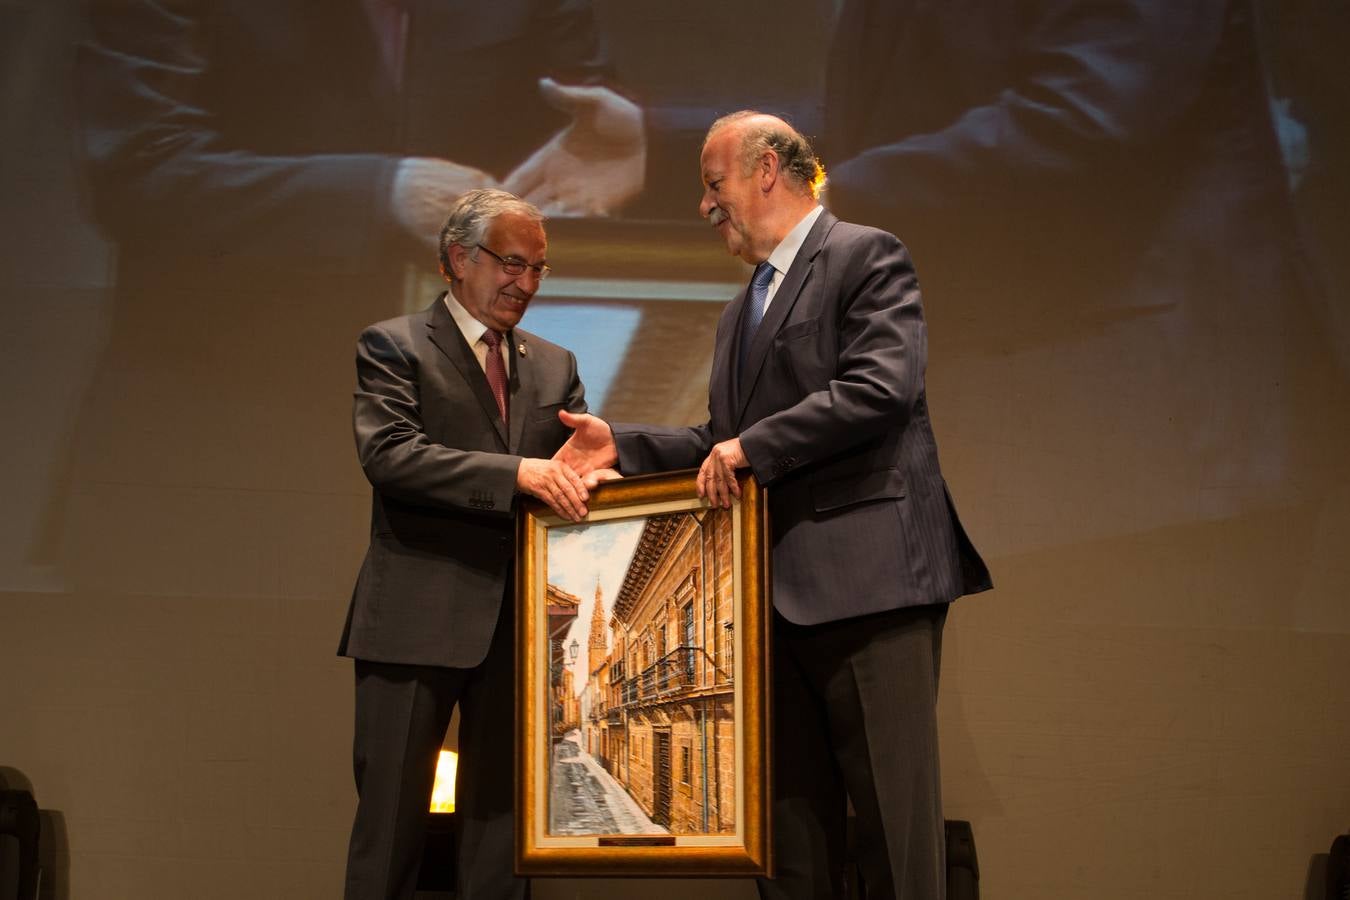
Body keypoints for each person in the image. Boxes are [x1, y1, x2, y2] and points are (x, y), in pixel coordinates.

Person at [556, 113, 992, 899]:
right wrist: (621, 446)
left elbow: (880, 388)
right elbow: (722, 438)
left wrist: (750, 449)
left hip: (873, 589)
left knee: (896, 832)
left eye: (711, 184)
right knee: (787, 844)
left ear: (765, 170)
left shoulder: (865, 254)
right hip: (767, 610)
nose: (703, 206)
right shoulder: (737, 313)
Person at [340, 189, 593, 899]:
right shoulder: (393, 344)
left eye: (539, 268)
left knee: (504, 838)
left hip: (521, 634)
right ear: (457, 258)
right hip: (414, 622)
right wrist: (517, 473)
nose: (526, 283)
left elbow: (573, 476)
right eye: (512, 263)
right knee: (389, 828)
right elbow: (390, 455)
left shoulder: (555, 361)